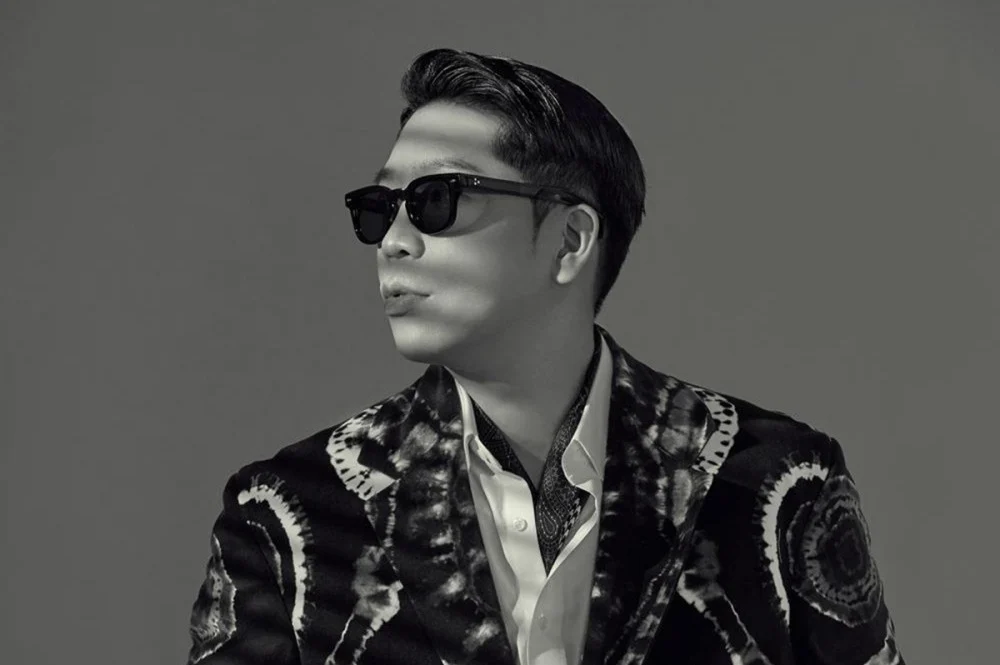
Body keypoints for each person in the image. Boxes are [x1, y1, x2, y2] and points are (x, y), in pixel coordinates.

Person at [185, 48, 904, 665]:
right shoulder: (285, 516)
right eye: (379, 208)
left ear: (569, 241)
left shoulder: (780, 485)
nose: (393, 242)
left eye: (436, 199)